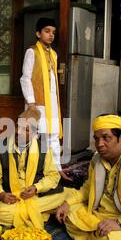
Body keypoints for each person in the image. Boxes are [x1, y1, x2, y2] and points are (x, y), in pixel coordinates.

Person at [0, 108, 67, 229]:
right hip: (14, 196)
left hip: (36, 195)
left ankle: (32, 212)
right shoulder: (2, 146)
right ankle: (41, 212)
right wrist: (1, 194)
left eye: (26, 129)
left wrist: (36, 188)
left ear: (34, 133)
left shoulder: (43, 148)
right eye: (18, 126)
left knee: (62, 196)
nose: (18, 131)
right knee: (2, 214)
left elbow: (53, 176)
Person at [20, 17, 72, 181]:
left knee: (53, 135)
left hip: (52, 103)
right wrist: (31, 102)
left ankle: (56, 169)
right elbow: (25, 78)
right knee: (33, 136)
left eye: (53, 32)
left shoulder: (54, 54)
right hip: (36, 102)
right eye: (47, 31)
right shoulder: (32, 52)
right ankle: (30, 169)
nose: (51, 35)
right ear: (38, 33)